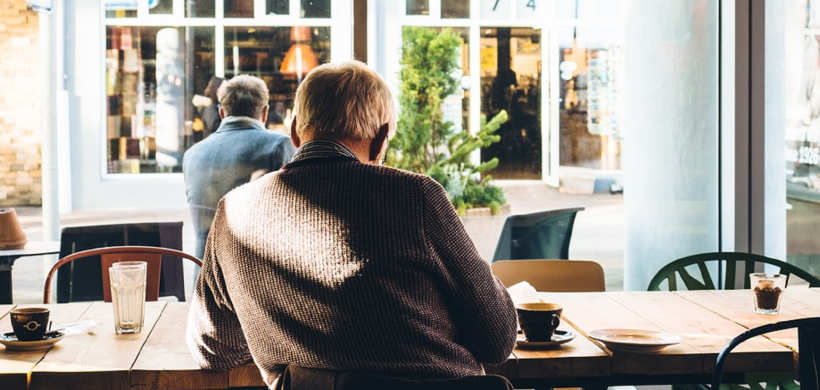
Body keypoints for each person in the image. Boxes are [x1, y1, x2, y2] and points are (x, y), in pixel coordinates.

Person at [186, 61, 517, 388]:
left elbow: (213, 350)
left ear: (295, 131)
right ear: (380, 139)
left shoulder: (234, 212)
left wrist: (279, 330)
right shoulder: (416, 197)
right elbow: (497, 340)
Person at [182, 74, 295, 262]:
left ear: (222, 113)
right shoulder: (278, 146)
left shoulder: (192, 154)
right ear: (265, 113)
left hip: (203, 277)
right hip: (253, 278)